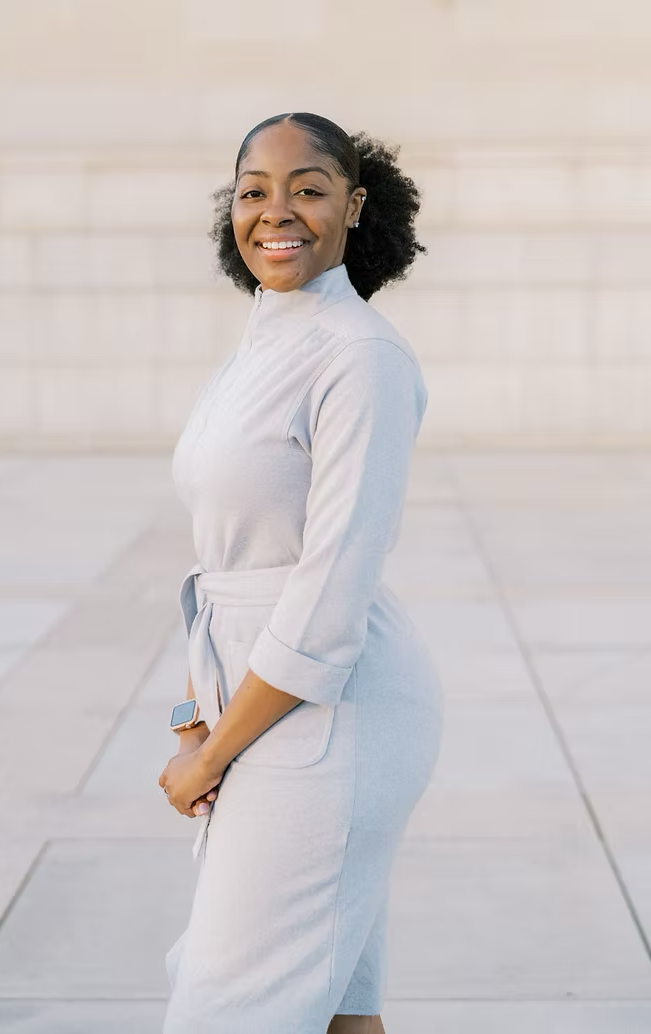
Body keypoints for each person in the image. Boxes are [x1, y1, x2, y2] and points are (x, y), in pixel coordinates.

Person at [158, 111, 443, 1034]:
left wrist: (216, 749)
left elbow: (327, 599)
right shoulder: (263, 341)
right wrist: (194, 715)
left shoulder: (360, 358)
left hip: (333, 718)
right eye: (254, 191)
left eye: (308, 188)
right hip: (261, 702)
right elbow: (221, 560)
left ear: (355, 206)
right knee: (338, 1012)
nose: (276, 212)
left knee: (224, 1009)